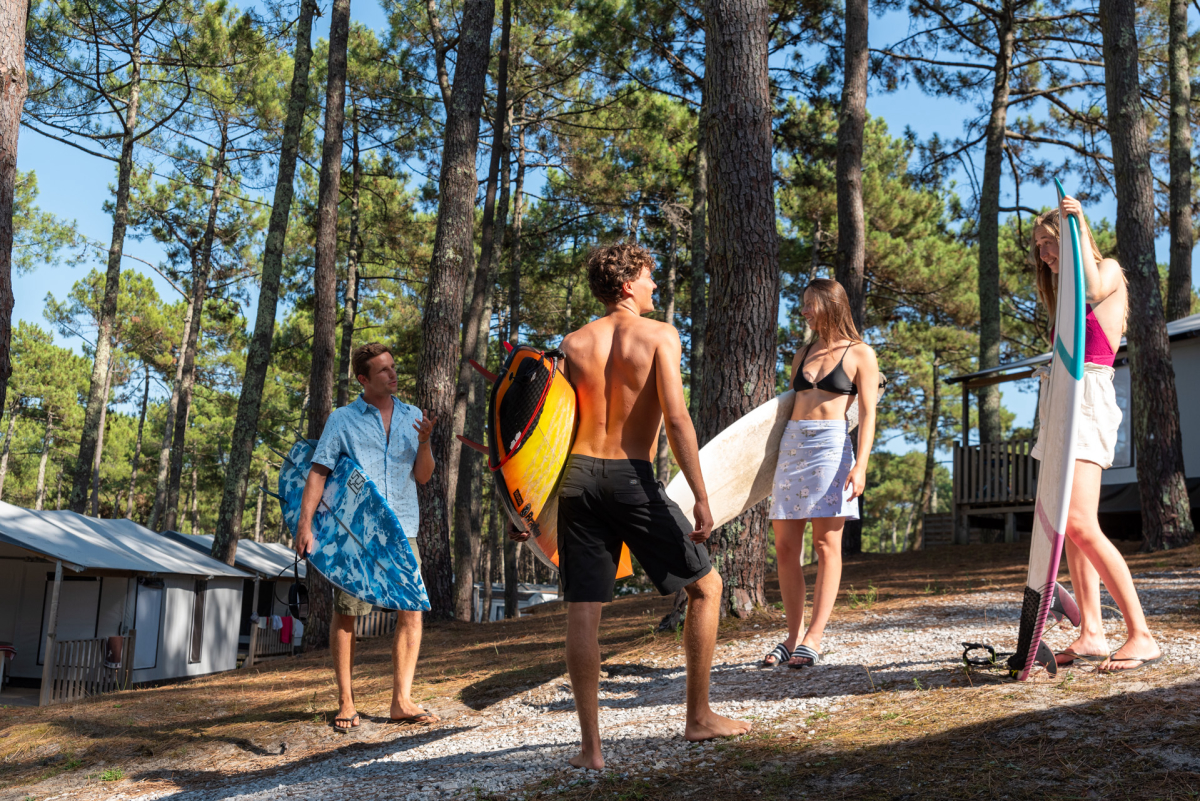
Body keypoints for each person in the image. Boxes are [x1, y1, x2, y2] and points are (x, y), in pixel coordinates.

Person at [511, 242, 750, 770]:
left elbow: (544, 432)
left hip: (575, 481)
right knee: (706, 588)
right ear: (626, 286)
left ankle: (591, 750)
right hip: (631, 477)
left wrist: (526, 508)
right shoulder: (661, 336)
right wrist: (702, 495)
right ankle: (699, 717)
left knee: (582, 613)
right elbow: (679, 420)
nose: (654, 286)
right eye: (648, 277)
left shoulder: (573, 343)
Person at [1030, 197, 1161, 672]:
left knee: (1082, 523)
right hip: (1063, 402)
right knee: (1067, 530)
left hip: (1088, 399)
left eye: (1051, 243)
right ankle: (1092, 633)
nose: (1045, 254)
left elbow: (1089, 279)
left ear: (1072, 235)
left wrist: (1077, 223)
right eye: (1040, 248)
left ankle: (1141, 635)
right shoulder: (1064, 295)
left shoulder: (1107, 272)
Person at [294, 342, 438, 731]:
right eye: (383, 371)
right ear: (363, 379)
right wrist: (304, 525)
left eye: (393, 367)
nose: (393, 375)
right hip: (355, 536)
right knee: (347, 613)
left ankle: (401, 700)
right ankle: (345, 701)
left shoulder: (413, 416)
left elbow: (423, 476)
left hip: (402, 530)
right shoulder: (342, 420)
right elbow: (318, 472)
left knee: (412, 610)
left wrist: (424, 441)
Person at [761, 279, 879, 670]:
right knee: (785, 548)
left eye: (811, 304)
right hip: (792, 449)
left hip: (832, 448)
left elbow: (867, 414)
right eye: (804, 305)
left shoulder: (860, 353)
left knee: (827, 545)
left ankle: (814, 637)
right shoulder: (803, 353)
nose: (805, 312)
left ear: (832, 305)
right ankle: (792, 635)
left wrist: (860, 464)